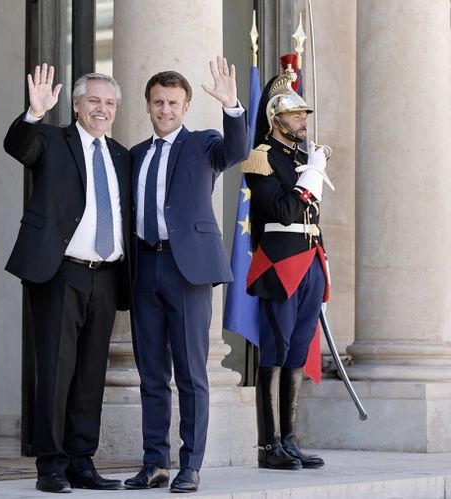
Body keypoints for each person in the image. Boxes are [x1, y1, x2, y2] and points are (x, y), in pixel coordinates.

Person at [3, 64, 132, 493]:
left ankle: (82, 461)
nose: (102, 109)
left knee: (91, 374)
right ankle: (50, 466)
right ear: (76, 105)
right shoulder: (52, 141)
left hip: (107, 276)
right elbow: (17, 147)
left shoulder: (120, 155)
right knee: (56, 372)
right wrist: (34, 113)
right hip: (60, 273)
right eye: (93, 100)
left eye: (109, 103)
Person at [123, 60, 249, 494]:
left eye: (173, 103)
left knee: (192, 372)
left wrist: (232, 104)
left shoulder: (204, 144)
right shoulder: (135, 154)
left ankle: (190, 465)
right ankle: (154, 462)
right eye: (158, 102)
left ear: (186, 105)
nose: (165, 109)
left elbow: (238, 151)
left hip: (188, 270)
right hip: (144, 266)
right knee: (151, 373)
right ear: (148, 105)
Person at [242, 59, 331, 471]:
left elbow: (312, 220)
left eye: (304, 114)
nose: (303, 120)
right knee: (274, 351)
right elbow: (283, 207)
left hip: (310, 261)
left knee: (297, 349)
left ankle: (290, 439)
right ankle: (268, 446)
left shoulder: (303, 156)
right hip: (280, 264)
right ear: (276, 118)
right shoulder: (261, 158)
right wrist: (310, 177)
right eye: (296, 113)